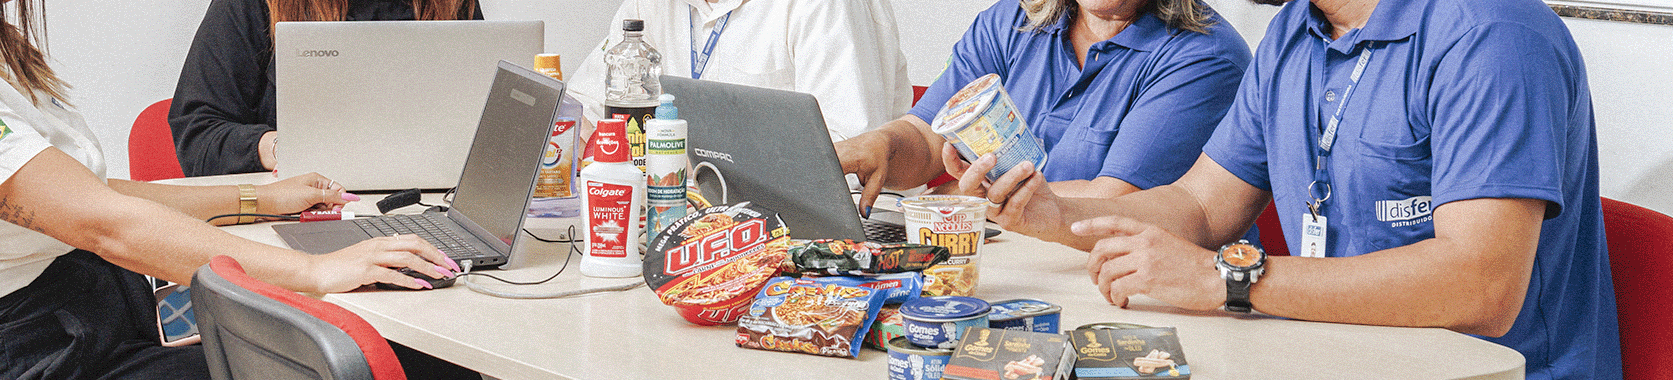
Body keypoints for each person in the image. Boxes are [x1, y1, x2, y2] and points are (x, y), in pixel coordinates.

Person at [949, 0, 1618, 378]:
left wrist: (1230, 281)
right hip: (1341, 359)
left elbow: (1482, 287)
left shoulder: (1494, 35)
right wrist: (1056, 212)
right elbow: (1202, 205)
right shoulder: (1294, 33)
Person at [0, 0, 459, 377]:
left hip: (78, 329)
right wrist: (318, 270)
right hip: (50, 360)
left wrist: (258, 200)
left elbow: (95, 194)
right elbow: (105, 223)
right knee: (394, 366)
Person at [838, 0, 1251, 212]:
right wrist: (882, 145)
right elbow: (930, 140)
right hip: (1013, 266)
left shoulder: (1205, 56)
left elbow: (1116, 200)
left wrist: (961, 198)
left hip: (1124, 290)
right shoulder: (1011, 19)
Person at [169, 0, 482, 176]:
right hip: (294, 216)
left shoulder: (453, 4)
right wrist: (282, 149)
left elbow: (480, 118)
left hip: (426, 207)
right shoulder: (251, 5)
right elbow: (198, 137)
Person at [565, 0, 911, 143]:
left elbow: (852, 154)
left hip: (832, 239)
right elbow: (588, 109)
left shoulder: (826, 7)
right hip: (697, 222)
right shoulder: (651, 5)